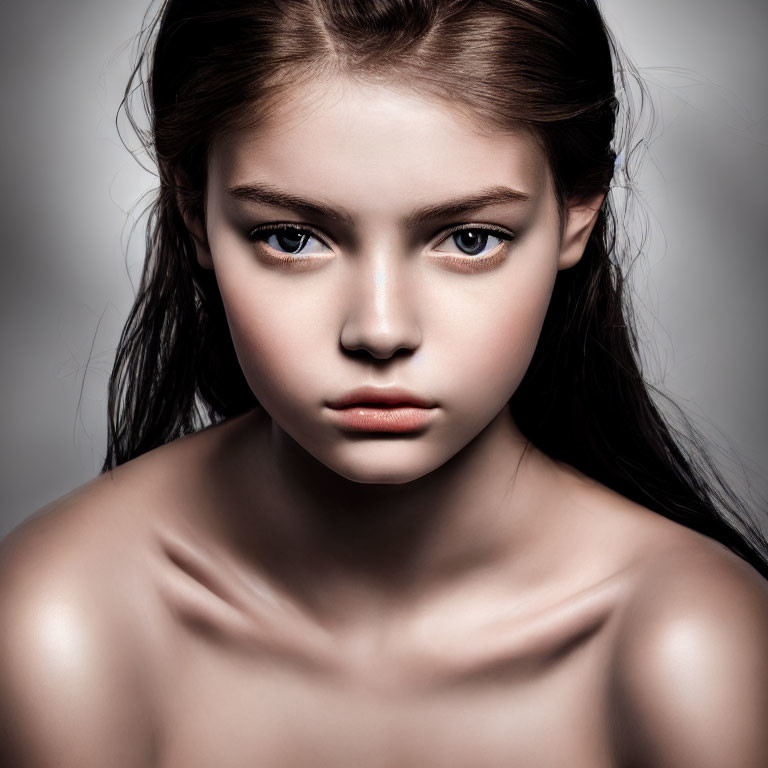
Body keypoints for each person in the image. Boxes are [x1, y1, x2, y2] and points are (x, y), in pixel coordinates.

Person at [1, 0, 767, 765]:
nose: (379, 330)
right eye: (292, 238)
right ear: (194, 213)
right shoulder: (65, 621)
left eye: (470, 239)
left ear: (576, 215)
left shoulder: (692, 652)